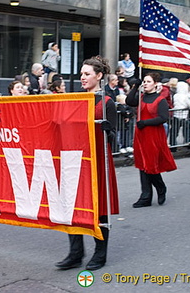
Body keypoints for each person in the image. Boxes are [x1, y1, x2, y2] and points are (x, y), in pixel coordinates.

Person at [55, 56, 119, 271]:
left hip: (97, 161)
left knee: (98, 207)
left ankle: (100, 254)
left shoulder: (107, 102)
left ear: (99, 76)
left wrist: (103, 128)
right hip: (75, 160)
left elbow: (112, 136)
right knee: (72, 206)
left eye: (87, 74)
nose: (82, 78)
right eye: (81, 74)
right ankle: (75, 253)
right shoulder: (76, 100)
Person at [126, 72, 177, 208]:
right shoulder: (141, 97)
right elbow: (129, 101)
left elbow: (163, 117)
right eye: (144, 81)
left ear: (155, 84)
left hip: (153, 135)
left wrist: (146, 123)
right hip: (141, 135)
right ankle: (145, 196)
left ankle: (160, 187)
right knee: (142, 165)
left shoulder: (160, 100)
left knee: (151, 166)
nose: (145, 84)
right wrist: (135, 86)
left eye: (148, 82)